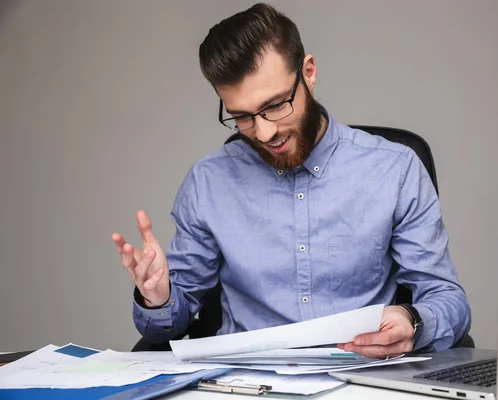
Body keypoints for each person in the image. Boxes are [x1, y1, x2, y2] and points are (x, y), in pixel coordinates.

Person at [112, 3, 471, 358]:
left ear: (309, 73)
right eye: (242, 117)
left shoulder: (396, 169)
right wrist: (157, 298)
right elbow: (167, 326)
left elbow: (449, 301)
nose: (265, 132)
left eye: (275, 105)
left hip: (362, 382)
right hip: (244, 386)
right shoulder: (209, 183)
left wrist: (414, 320)